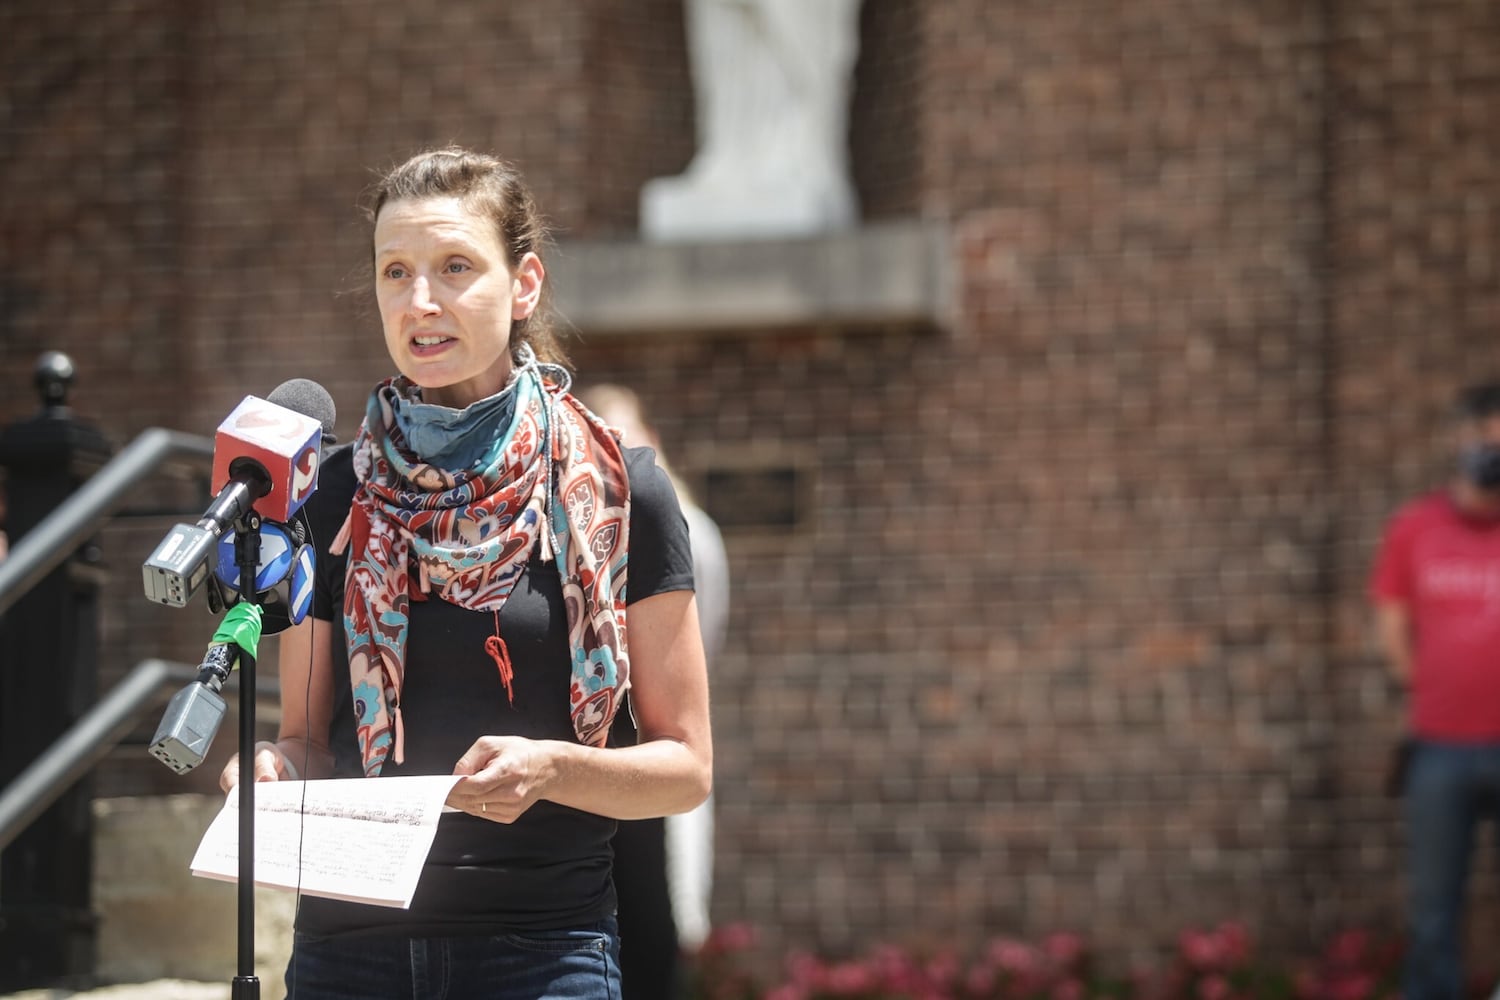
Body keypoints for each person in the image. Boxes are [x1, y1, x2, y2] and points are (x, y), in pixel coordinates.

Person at [219, 146, 712, 1000]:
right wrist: (273, 770)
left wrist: (553, 769)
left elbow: (686, 768)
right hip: (349, 953)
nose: (421, 302)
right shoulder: (329, 494)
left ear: (523, 285)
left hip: (544, 952)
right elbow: (305, 740)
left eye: (454, 267)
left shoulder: (624, 490)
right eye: (395, 272)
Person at [576, 384, 730, 1000]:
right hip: (591, 758)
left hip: (649, 741)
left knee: (655, 913)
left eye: (625, 437)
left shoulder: (687, 530)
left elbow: (697, 646)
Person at [1370, 381, 1500, 1000]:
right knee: (1433, 913)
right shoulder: (1415, 527)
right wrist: (1424, 684)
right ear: (1462, 438)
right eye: (1484, 436)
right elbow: (1391, 617)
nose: (1492, 450)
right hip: (1438, 750)